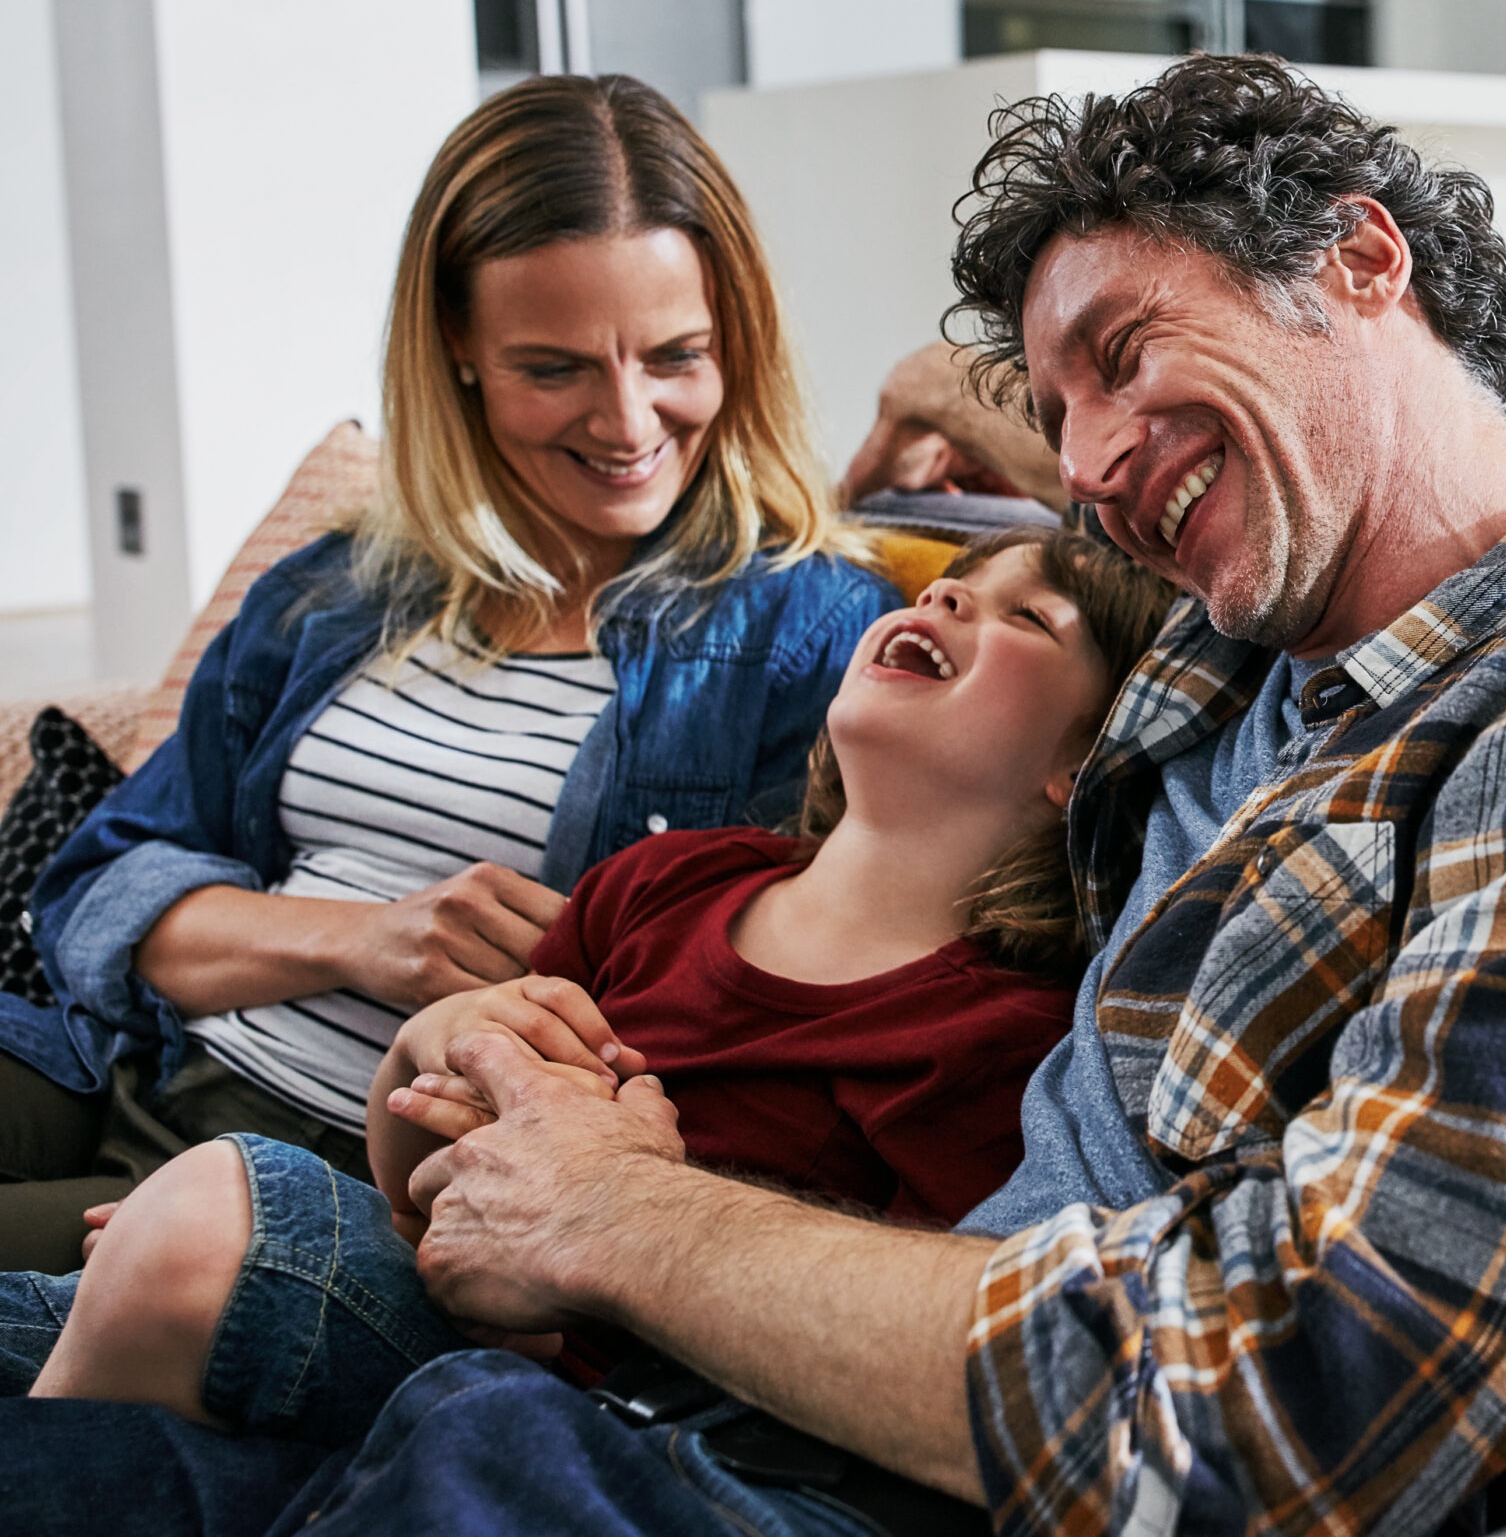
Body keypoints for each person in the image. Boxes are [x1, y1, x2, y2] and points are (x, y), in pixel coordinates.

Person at [0, 54, 1506, 1537]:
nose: (1083, 457)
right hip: (756, 1393)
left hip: (892, 1466)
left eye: (1123, 357)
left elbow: (1312, 1407)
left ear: (1361, 257)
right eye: (1056, 413)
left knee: (474, 1441)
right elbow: (972, 503)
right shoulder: (1226, 661)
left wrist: (620, 1219)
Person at [11, 528, 1175, 1462]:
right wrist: (436, 1038)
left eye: (1027, 615)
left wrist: (241, 1238)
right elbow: (423, 1182)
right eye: (956, 585)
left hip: (596, 1416)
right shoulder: (667, 880)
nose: (951, 602)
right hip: (428, 1290)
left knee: (209, 1212)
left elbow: (869, 1359)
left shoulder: (999, 1037)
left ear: (1086, 764)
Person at [0, 74, 898, 1272]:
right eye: (555, 368)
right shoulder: (343, 586)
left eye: (675, 355)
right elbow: (98, 887)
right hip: (126, 1062)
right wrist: (362, 940)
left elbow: (760, 1035)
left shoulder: (814, 632)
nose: (630, 422)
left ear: (738, 341)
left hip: (345, 1167)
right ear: (458, 354)